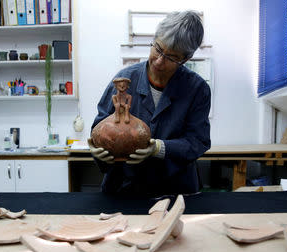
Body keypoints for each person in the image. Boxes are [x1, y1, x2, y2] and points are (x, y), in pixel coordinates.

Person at [89, 10, 211, 196]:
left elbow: (197, 141)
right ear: (154, 39)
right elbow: (99, 126)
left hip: (175, 190)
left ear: (185, 59)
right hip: (125, 188)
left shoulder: (197, 89)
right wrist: (97, 150)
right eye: (158, 49)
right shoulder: (124, 80)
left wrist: (159, 148)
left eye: (171, 57)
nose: (159, 61)